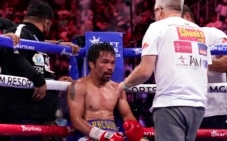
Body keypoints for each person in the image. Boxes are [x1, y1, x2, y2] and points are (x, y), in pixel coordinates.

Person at [118, 0, 212, 141]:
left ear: (160, 10)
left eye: (154, 13)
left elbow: (144, 71)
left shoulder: (157, 27)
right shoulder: (199, 30)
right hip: (198, 105)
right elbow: (203, 70)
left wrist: (123, 86)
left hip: (171, 104)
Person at [0, 0, 79, 141]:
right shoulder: (21, 30)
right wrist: (39, 80)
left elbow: (36, 67)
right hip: (23, 114)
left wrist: (53, 82)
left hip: (38, 115)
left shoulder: (35, 37)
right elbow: (13, 55)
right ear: (46, 22)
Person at [182, 5, 227, 141]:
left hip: (211, 111)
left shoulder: (210, 34)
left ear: (186, 17)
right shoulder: (168, 42)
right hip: (180, 110)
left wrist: (199, 64)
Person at [67, 42, 144, 141]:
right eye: (104, 62)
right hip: (88, 135)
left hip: (114, 135)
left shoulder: (117, 88)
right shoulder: (79, 86)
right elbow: (76, 120)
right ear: (91, 64)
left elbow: (127, 116)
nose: (110, 67)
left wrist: (135, 131)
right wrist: (101, 135)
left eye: (112, 63)